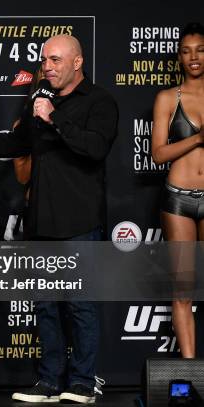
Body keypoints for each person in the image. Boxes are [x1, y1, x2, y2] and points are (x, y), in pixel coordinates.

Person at [0, 35, 118, 404]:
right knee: (45, 305)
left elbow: (95, 148)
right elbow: (15, 144)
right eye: (44, 60)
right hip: (40, 219)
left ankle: (83, 383)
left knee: (80, 304)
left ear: (77, 62)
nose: (47, 66)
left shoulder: (99, 101)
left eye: (55, 60)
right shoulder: (39, 99)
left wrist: (53, 118)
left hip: (80, 220)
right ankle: (49, 381)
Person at [151, 22, 204, 359]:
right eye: (186, 51)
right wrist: (198, 138)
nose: (193, 57)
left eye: (200, 50)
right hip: (179, 198)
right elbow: (158, 153)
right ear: (179, 57)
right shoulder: (169, 97)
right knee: (183, 290)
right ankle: (189, 371)